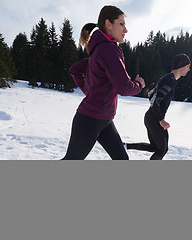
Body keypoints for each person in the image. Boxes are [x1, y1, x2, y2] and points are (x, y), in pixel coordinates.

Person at [62, 5, 146, 160]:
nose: (125, 30)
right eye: (121, 24)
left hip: (104, 120)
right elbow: (124, 87)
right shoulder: (108, 50)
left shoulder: (99, 50)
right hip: (90, 119)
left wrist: (90, 91)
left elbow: (75, 69)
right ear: (108, 24)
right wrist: (139, 85)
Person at [126, 53, 191, 160]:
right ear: (182, 66)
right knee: (162, 149)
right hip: (154, 118)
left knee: (156, 147)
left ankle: (125, 146)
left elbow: (151, 95)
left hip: (151, 117)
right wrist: (161, 120)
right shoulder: (170, 81)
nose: (189, 69)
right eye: (188, 66)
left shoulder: (167, 78)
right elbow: (156, 101)